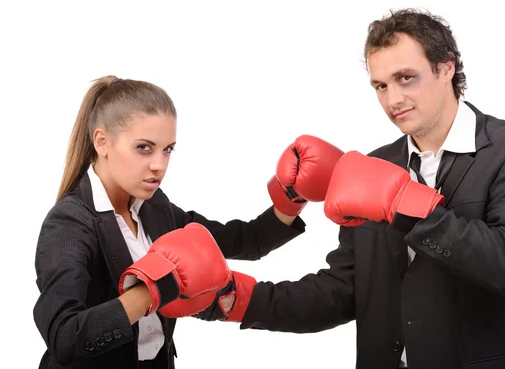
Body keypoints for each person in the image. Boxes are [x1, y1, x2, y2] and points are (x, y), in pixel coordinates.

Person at [194, 8, 505, 369]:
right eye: (380, 86)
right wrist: (239, 299)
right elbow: (347, 288)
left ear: (446, 67)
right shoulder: (375, 165)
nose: (392, 100)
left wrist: (406, 203)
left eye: (405, 78)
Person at [32, 75, 345, 369]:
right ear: (102, 142)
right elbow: (64, 337)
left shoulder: (154, 206)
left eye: (167, 150)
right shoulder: (69, 224)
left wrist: (292, 196)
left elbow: (245, 241)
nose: (159, 165)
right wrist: (148, 293)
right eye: (144, 148)